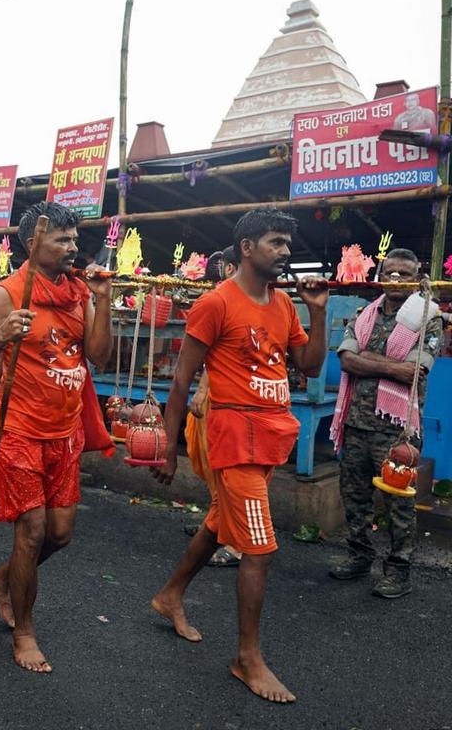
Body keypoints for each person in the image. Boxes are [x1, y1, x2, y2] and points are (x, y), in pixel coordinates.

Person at [150, 208, 329, 704]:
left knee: (216, 524)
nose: (287, 251)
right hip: (235, 440)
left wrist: (316, 311)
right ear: (247, 247)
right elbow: (182, 380)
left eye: (288, 244)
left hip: (270, 436)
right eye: (276, 242)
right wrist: (170, 449)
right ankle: (246, 658)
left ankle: (169, 596)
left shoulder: (286, 305)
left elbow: (310, 368)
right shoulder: (215, 302)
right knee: (260, 547)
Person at [0, 203, 113, 673]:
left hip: (65, 434)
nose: (73, 248)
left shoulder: (79, 293)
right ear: (34, 243)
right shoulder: (6, 295)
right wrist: (0, 337)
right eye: (62, 240)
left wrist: (103, 301)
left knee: (60, 535)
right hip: (21, 433)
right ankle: (24, 634)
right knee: (31, 533)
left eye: (74, 239)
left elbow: (100, 358)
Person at [328, 248, 442, 599]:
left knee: (399, 504)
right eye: (389, 273)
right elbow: (346, 361)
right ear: (381, 275)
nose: (395, 280)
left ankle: (399, 571)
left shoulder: (429, 319)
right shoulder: (364, 315)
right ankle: (359, 556)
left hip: (398, 429)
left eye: (404, 273)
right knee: (355, 496)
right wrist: (386, 364)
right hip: (357, 423)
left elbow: (413, 371)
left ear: (416, 275)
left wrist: (367, 360)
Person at [186, 246, 245, 568]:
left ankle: (235, 542)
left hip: (231, 401)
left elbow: (221, 355)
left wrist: (202, 390)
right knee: (210, 467)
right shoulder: (222, 300)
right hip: (217, 398)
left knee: (228, 472)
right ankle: (215, 525)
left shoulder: (243, 302)